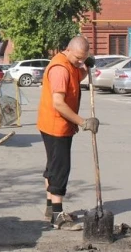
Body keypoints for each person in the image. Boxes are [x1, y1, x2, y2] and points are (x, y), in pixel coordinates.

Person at [37, 36, 100, 231]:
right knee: (60, 169)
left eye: (84, 58)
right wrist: (83, 122)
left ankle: (50, 207)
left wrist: (85, 68)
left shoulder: (71, 64)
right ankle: (57, 217)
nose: (80, 61)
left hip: (53, 124)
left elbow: (76, 76)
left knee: (53, 166)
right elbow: (58, 103)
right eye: (79, 58)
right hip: (56, 126)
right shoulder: (60, 69)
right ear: (68, 50)